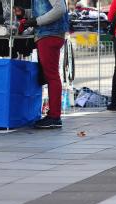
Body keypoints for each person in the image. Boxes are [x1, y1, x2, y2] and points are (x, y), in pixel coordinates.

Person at [24, 0, 69, 129]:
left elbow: (59, 9)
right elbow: (46, 9)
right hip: (49, 34)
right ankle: (53, 115)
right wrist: (26, 13)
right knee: (51, 75)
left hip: (49, 34)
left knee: (52, 76)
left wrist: (37, 21)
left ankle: (54, 116)